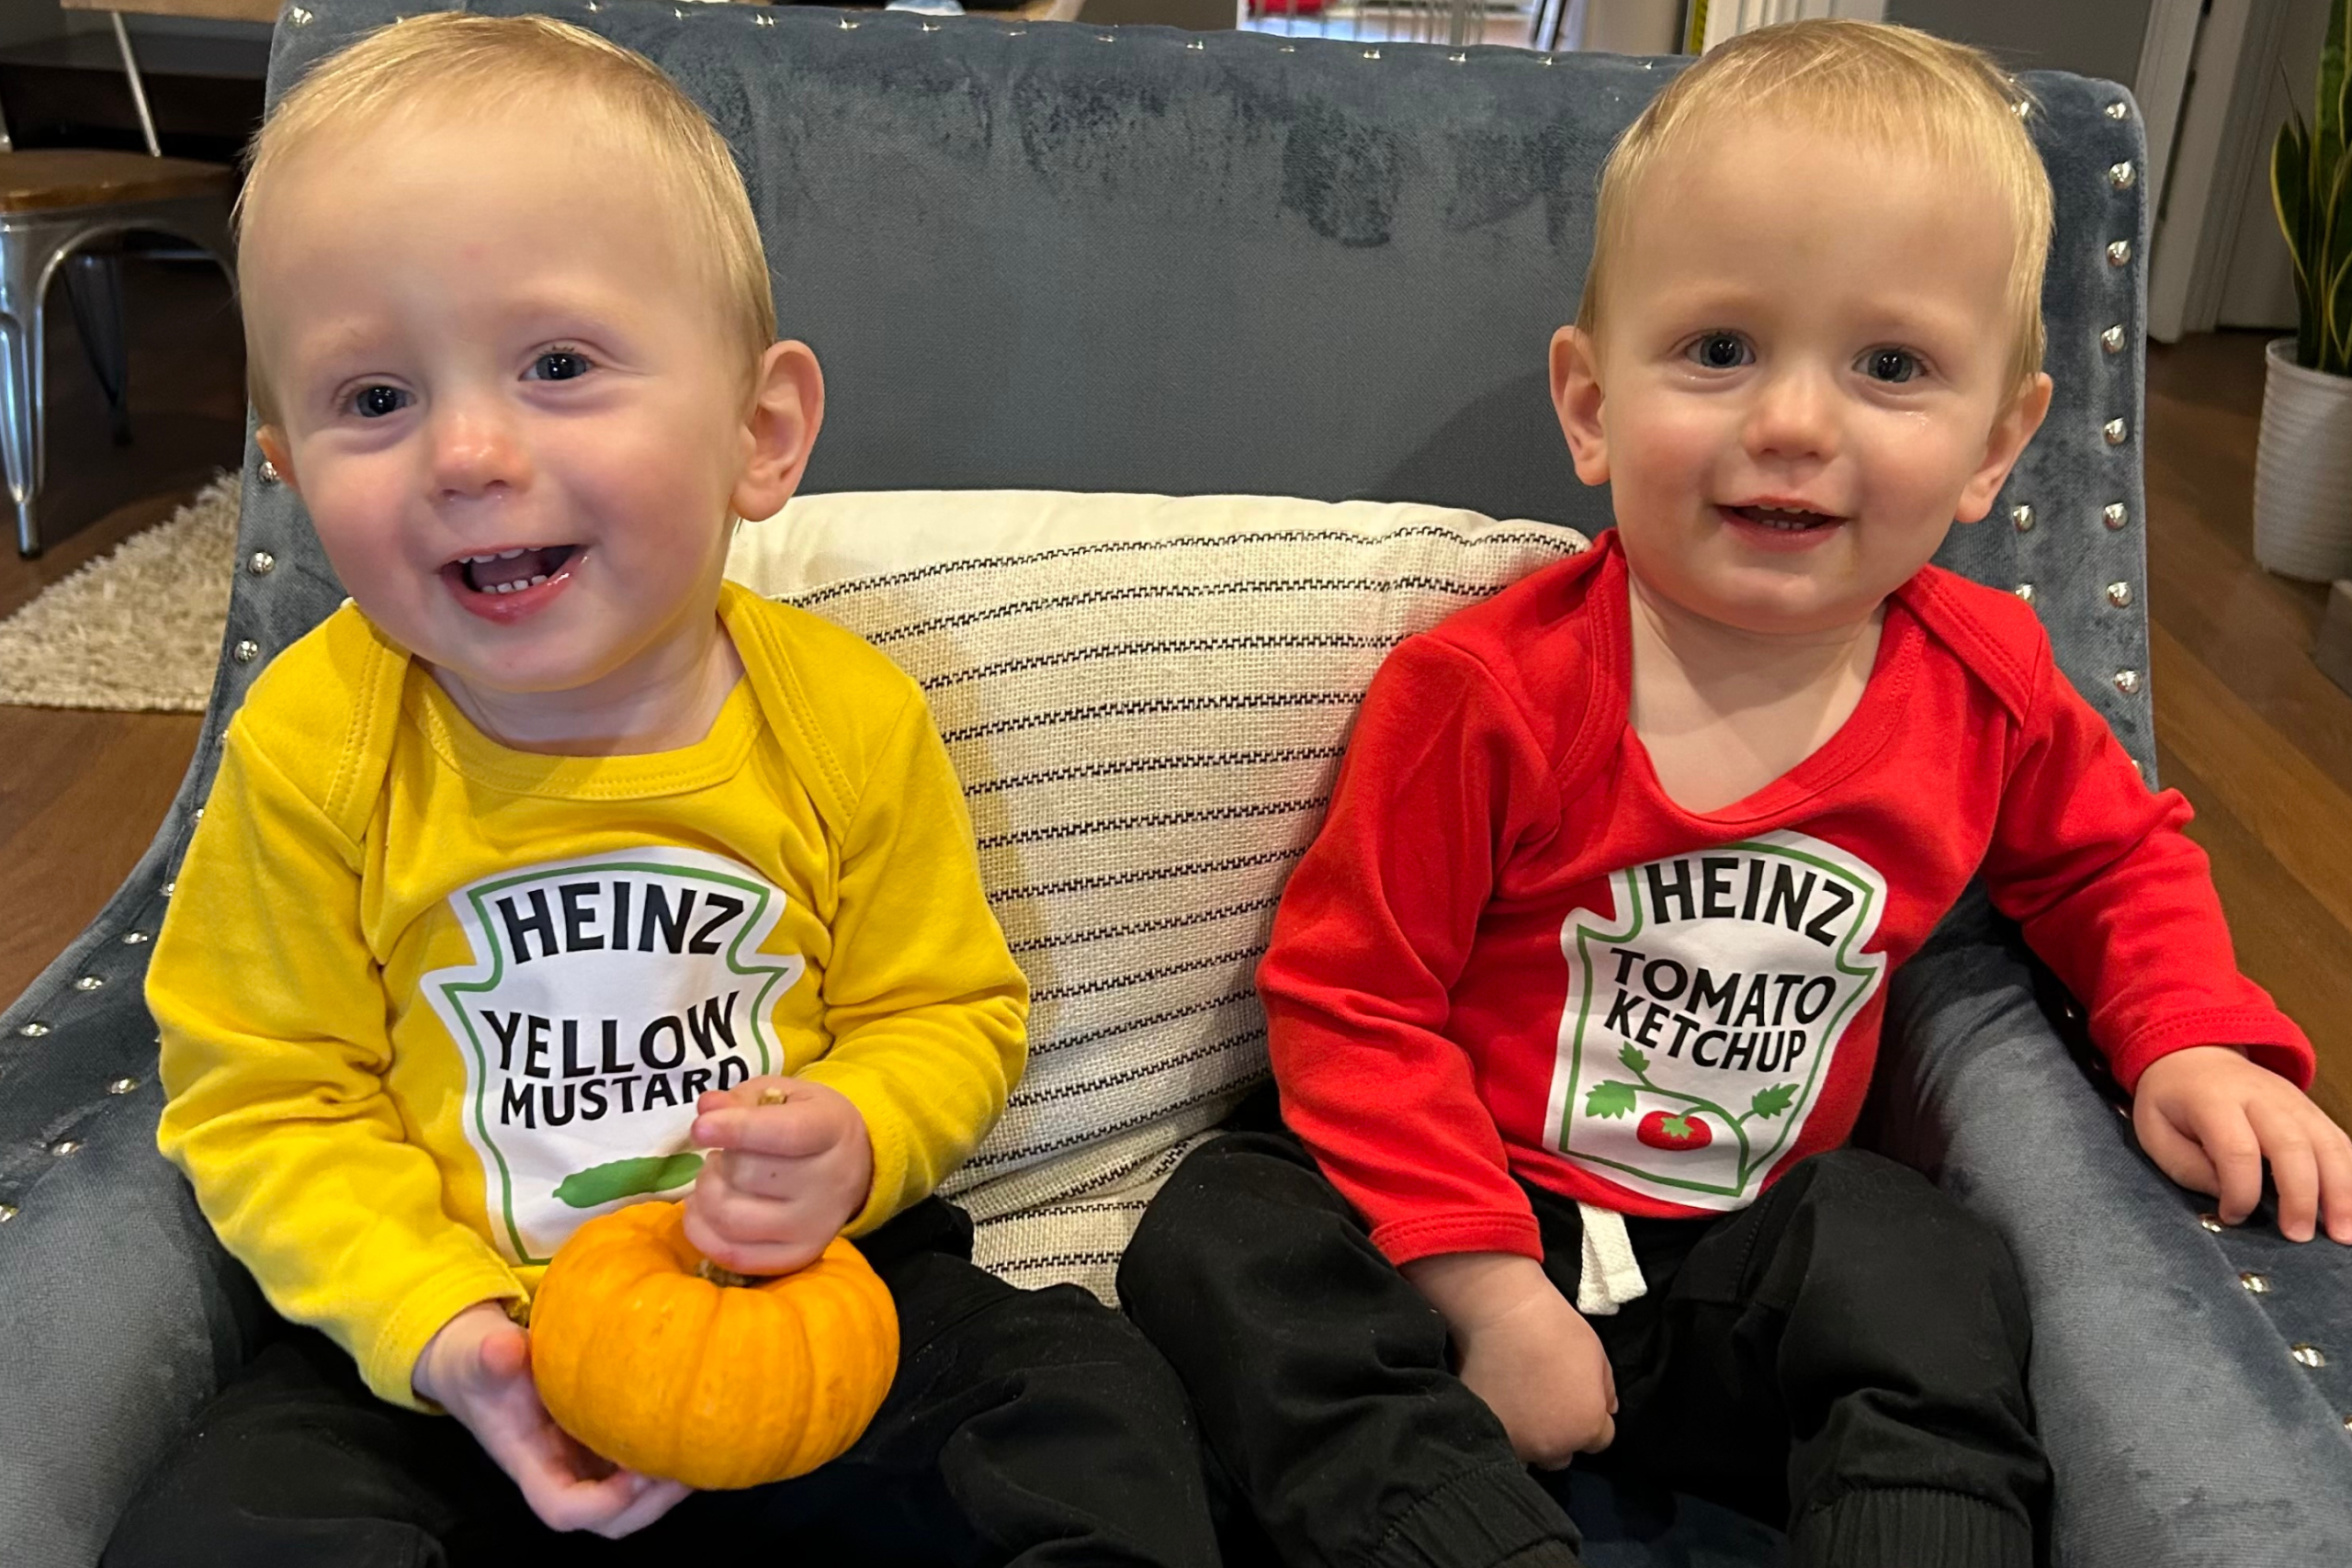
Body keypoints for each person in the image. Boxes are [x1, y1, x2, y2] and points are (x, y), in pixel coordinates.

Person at [1118, 20, 2348, 1568]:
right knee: (1219, 1237)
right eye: (1719, 349)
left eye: (1890, 365)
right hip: (1455, 1225)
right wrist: (1489, 1286)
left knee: (1926, 1253)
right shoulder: (1488, 694)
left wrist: (2195, 1034)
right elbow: (1353, 1000)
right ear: (1590, 406)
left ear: (1998, 445)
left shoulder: (1987, 679)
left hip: (1742, 1257)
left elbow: (2110, 859)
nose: (1792, 423)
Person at [104, 14, 1217, 1566]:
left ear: (760, 434)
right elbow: (266, 1093)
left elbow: (947, 1009)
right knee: (235, 1519)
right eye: (373, 400)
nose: (468, 452)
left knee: (1081, 1404)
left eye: (558, 365)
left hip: (815, 1304)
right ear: (286, 468)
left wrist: (853, 1132)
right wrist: (438, 1329)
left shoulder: (841, 715)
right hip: (450, 1348)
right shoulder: (317, 741)